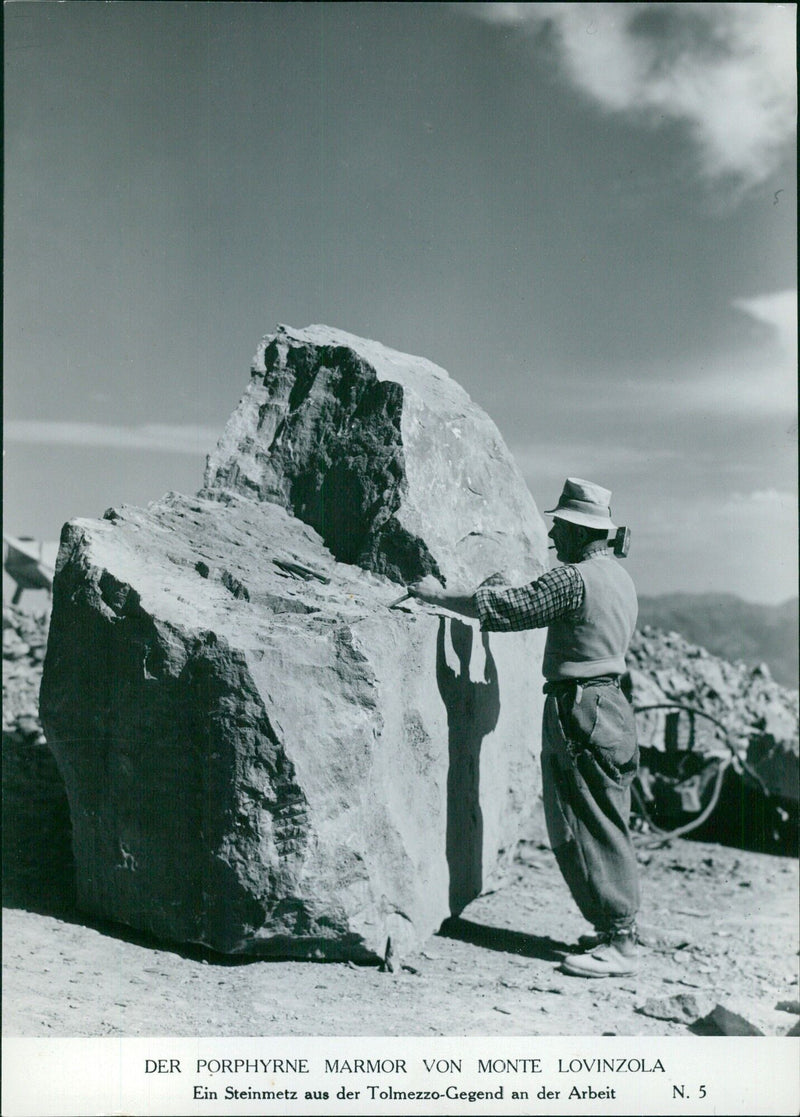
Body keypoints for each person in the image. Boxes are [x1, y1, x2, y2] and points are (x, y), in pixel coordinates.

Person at [409, 478, 641, 978]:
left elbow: (511, 609)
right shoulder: (618, 577)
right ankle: (615, 929)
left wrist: (437, 596)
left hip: (581, 709)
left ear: (582, 531)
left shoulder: (573, 579)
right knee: (605, 816)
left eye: (560, 525)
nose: (553, 535)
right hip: (611, 705)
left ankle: (620, 941)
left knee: (587, 821)